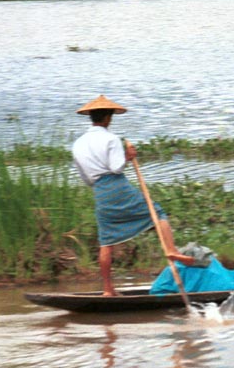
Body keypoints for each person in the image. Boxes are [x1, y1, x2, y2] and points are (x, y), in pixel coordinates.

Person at [72, 94, 195, 296]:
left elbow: (85, 177)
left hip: (99, 191)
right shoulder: (111, 139)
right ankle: (171, 250)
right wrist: (128, 157)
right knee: (157, 212)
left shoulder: (78, 144)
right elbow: (116, 167)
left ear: (91, 117)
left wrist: (100, 184)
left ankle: (107, 289)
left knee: (106, 241)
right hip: (116, 185)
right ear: (108, 118)